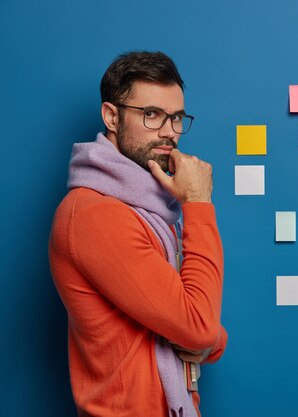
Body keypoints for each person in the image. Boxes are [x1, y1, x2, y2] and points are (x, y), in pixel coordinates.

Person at [48, 51, 227, 417]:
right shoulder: (95, 214)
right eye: (151, 115)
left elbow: (192, 322)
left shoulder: (151, 208)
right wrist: (198, 201)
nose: (168, 132)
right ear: (111, 116)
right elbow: (197, 327)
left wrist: (209, 338)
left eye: (176, 117)